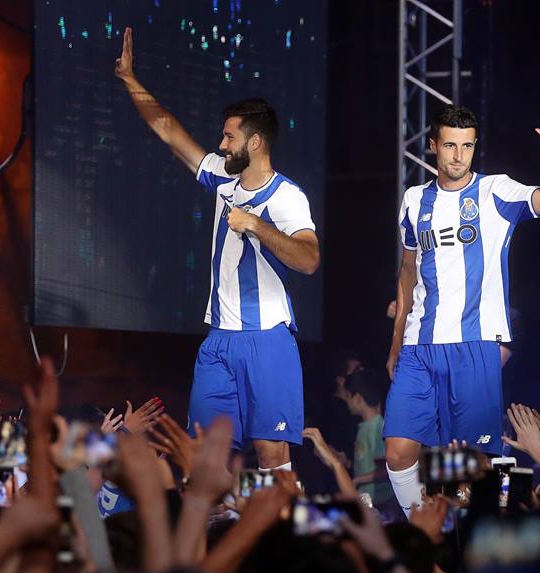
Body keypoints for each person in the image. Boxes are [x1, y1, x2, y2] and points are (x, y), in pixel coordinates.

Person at [114, 28, 319, 470]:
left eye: (229, 137)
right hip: (219, 340)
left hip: (267, 339)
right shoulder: (223, 178)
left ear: (255, 142)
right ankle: (215, 516)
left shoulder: (287, 197)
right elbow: (169, 132)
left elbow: (308, 260)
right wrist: (130, 79)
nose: (221, 144)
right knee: (204, 455)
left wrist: (257, 225)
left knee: (271, 454)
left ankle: (275, 517)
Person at [384, 102, 540, 515]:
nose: (459, 156)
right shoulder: (414, 200)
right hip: (419, 347)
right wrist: (396, 340)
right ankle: (424, 531)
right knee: (398, 452)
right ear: (433, 146)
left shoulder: (496, 192)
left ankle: (485, 532)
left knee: (474, 465)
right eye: (450, 145)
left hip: (474, 345)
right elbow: (407, 270)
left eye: (467, 146)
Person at [342, 369, 393, 508]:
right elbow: (366, 464)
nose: (347, 401)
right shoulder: (365, 427)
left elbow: (386, 470)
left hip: (382, 502)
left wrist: (357, 480)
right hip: (371, 501)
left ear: (358, 398)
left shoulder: (377, 426)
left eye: (348, 396)